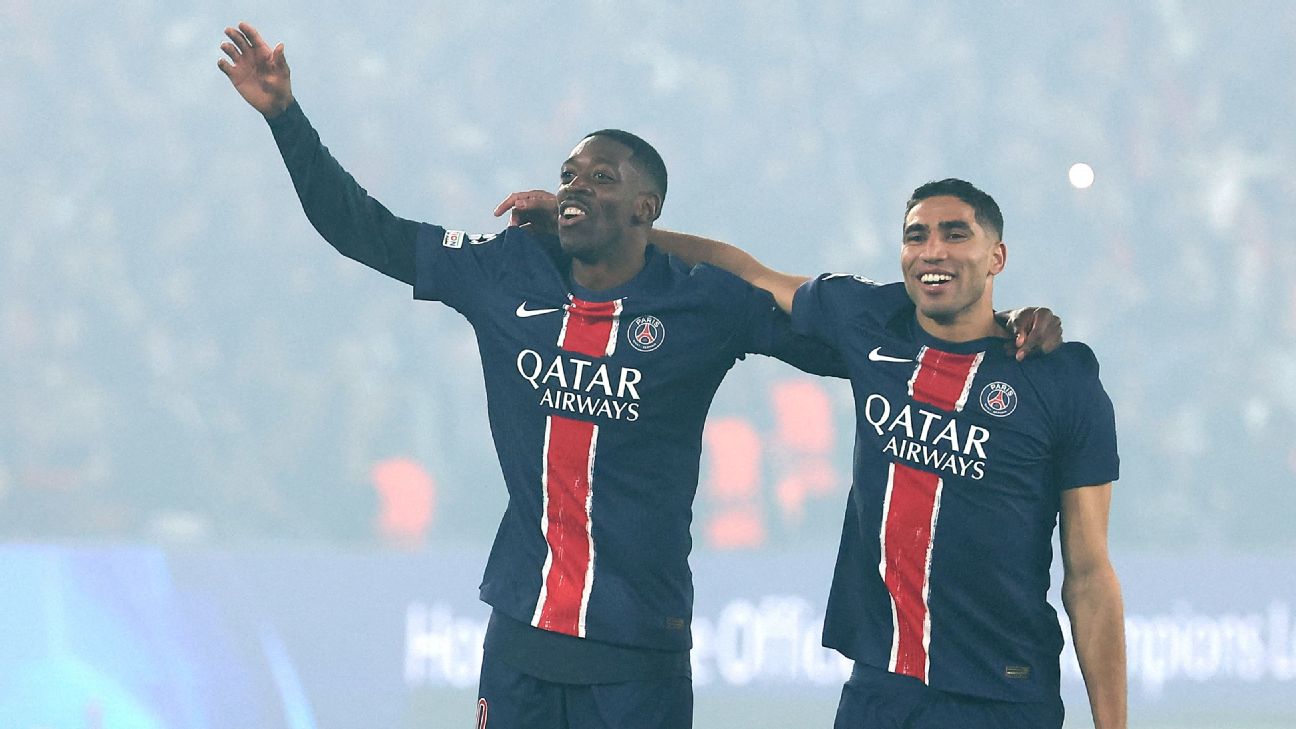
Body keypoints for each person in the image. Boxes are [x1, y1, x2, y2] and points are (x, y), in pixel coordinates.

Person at [219, 22, 1063, 728]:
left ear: (644, 208)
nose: (574, 187)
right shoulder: (505, 269)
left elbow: (851, 344)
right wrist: (285, 117)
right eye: (568, 176)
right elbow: (363, 229)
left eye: (600, 179)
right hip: (520, 634)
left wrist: (998, 332)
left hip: (638, 652)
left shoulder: (702, 302)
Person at [595, 180, 1126, 728]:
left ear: (997, 257)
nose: (932, 251)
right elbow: (745, 271)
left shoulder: (1059, 380)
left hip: (1003, 696)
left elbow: (1089, 575)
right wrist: (614, 232)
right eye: (916, 236)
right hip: (880, 689)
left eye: (955, 235)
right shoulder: (868, 319)